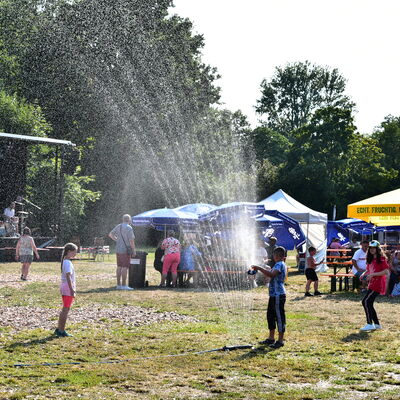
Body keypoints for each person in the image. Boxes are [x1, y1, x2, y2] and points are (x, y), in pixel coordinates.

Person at [251, 246, 287, 349]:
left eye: (274, 255)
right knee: (270, 316)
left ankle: (280, 340)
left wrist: (259, 268)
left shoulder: (280, 264)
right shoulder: (278, 264)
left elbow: (271, 274)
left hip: (278, 295)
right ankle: (271, 338)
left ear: (277, 256)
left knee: (279, 317)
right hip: (273, 295)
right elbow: (270, 273)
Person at [359, 240, 390, 331]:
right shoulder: (370, 258)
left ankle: (369, 324)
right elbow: (368, 269)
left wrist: (373, 275)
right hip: (372, 284)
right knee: (369, 303)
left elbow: (386, 272)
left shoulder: (382, 259)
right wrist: (364, 274)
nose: (372, 250)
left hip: (378, 284)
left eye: (374, 248)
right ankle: (376, 324)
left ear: (377, 249)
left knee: (365, 302)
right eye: (371, 248)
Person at [55, 243, 78, 337]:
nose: (75, 254)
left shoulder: (65, 261)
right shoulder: (67, 263)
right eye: (74, 252)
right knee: (66, 309)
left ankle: (59, 329)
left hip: (65, 287)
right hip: (67, 288)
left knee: (65, 309)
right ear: (68, 252)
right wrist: (72, 289)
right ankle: (61, 330)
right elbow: (68, 276)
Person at [109, 214, 136, 290]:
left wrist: (117, 240)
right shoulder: (129, 228)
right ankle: (124, 285)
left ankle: (118, 284)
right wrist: (134, 251)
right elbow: (131, 241)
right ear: (129, 220)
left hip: (118, 249)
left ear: (123, 219)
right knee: (125, 267)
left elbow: (110, 234)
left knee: (119, 267)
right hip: (125, 250)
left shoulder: (119, 226)